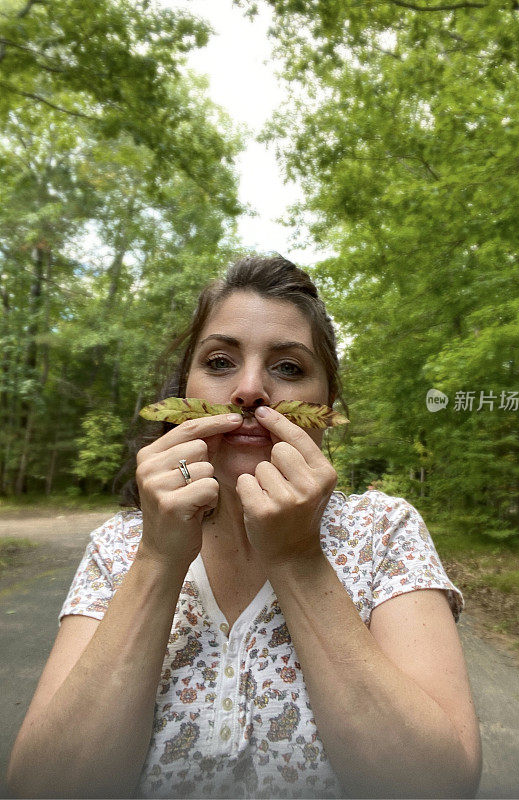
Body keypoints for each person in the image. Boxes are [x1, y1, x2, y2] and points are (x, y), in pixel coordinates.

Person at [7, 255, 482, 799]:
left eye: (288, 368)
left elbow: (437, 787)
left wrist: (298, 559)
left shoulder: (386, 532)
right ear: (183, 395)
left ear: (326, 404)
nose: (250, 390)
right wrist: (158, 560)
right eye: (219, 361)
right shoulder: (117, 547)